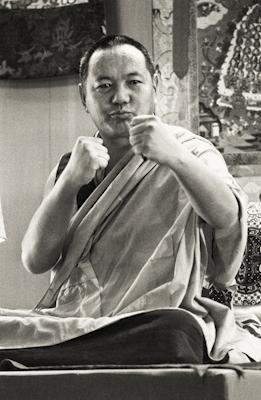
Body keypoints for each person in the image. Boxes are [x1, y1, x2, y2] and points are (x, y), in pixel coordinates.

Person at [0, 34, 260, 368]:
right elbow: (36, 260)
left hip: (148, 321)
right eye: (104, 86)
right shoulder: (74, 165)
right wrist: (68, 182)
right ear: (85, 95)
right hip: (76, 323)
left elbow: (228, 218)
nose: (120, 98)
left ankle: (55, 356)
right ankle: (71, 352)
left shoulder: (191, 152)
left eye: (133, 82)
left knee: (176, 330)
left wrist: (175, 158)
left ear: (155, 85)